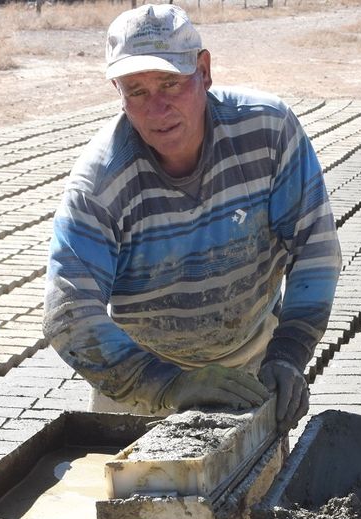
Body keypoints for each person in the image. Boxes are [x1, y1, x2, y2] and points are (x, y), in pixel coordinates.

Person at [43, 3, 341, 433]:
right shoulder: (101, 182)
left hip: (251, 371)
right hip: (138, 384)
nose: (157, 108)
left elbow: (315, 248)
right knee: (144, 499)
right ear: (118, 92)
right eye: (137, 91)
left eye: (171, 83)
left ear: (203, 70)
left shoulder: (268, 132)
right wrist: (168, 387)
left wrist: (289, 353)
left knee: (252, 494)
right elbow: (68, 310)